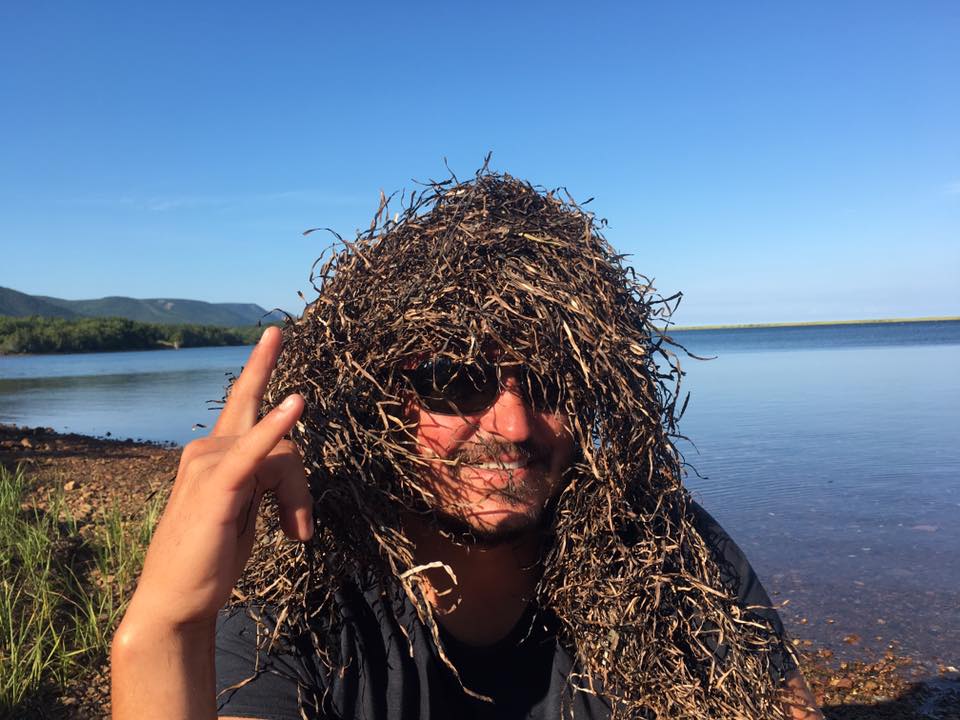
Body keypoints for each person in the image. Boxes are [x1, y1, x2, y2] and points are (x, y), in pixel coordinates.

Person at [112, 170, 824, 719]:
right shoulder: (304, 600)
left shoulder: (666, 554)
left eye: (553, 380)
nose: (514, 427)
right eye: (454, 380)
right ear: (375, 400)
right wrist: (167, 626)